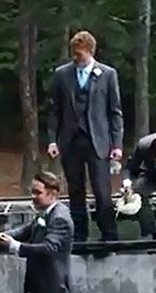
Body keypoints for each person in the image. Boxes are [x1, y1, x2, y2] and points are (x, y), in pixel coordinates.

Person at [45, 30, 124, 242]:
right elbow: (55, 110)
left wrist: (116, 144)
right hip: (70, 140)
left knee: (102, 191)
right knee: (75, 190)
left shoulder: (108, 74)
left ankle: (109, 235)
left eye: (79, 53)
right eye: (73, 53)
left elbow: (115, 112)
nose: (75, 57)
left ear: (90, 51)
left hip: (98, 141)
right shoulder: (62, 74)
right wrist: (52, 139)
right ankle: (79, 235)